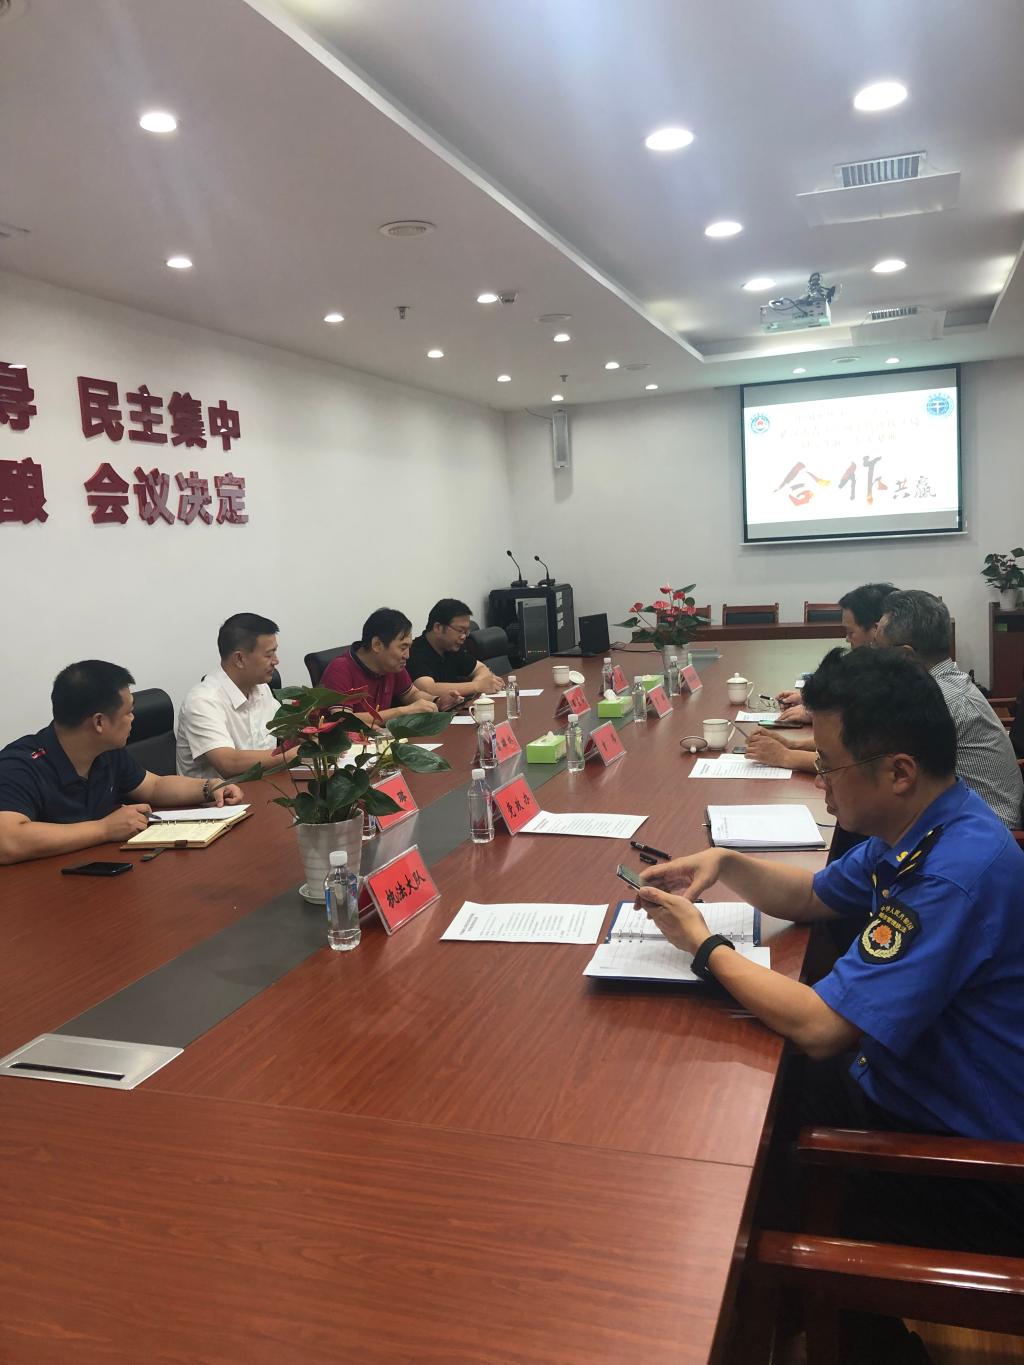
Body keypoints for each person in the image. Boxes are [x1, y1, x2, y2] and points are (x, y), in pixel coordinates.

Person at [639, 646, 1024, 1363]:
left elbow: (821, 1027)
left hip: (973, 1166)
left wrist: (702, 945)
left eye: (828, 764)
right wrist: (723, 864)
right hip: (920, 1090)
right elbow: (813, 895)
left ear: (898, 771)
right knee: (753, 1090)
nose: (818, 779)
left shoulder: (954, 871)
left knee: (752, 1160)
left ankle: (833, 1336)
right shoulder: (922, 825)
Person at [0, 660, 244, 865]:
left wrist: (209, 787)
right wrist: (104, 829)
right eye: (128, 712)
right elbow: (8, 840)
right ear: (99, 722)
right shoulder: (19, 765)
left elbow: (154, 786)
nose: (133, 719)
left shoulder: (106, 752)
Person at [876, 589, 1022, 829]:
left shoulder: (939, 700)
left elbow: (879, 766)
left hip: (981, 833)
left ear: (905, 656)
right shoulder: (946, 682)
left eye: (879, 650)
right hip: (962, 818)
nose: (875, 661)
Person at [176, 612, 295, 780]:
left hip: (262, 787)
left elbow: (286, 730)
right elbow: (229, 763)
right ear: (239, 659)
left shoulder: (261, 688)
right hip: (217, 796)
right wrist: (294, 755)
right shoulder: (202, 701)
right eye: (269, 655)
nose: (276, 661)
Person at [774, 582, 897, 725]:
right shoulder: (874, 664)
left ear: (877, 630)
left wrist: (818, 714)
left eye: (850, 632)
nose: (847, 639)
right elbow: (856, 699)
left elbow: (875, 721)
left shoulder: (901, 672)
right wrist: (812, 701)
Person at [319, 608, 438, 724]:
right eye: (403, 648)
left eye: (409, 647)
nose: (407, 655)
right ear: (377, 645)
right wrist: (404, 711)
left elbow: (411, 694)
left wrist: (437, 701)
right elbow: (344, 720)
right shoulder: (340, 669)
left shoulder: (392, 666)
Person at [407, 599, 502, 704]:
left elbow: (481, 668)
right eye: (460, 631)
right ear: (438, 627)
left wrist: (479, 684)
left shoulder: (452, 647)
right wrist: (477, 686)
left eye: (466, 631)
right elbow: (428, 689)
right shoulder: (414, 652)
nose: (464, 636)